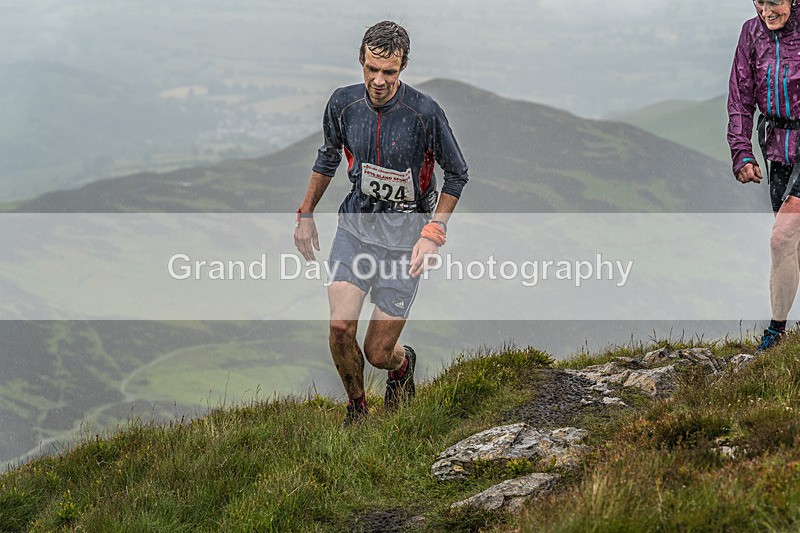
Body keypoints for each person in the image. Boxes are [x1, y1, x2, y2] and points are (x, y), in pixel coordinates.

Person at [293, 21, 469, 424]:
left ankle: (402, 366)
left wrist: (433, 233)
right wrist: (305, 213)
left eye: (388, 72)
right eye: (371, 69)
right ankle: (357, 410)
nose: (378, 80)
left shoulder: (424, 113)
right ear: (361, 60)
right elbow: (328, 156)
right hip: (356, 230)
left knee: (378, 352)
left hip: (406, 241)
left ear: (403, 66)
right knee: (340, 328)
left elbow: (457, 174)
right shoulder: (343, 103)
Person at [728, 0, 800, 353]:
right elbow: (740, 98)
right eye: (759, 2)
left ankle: (776, 331)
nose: (766, 11)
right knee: (792, 243)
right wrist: (741, 150)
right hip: (776, 145)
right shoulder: (751, 32)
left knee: (782, 236)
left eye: (775, 2)